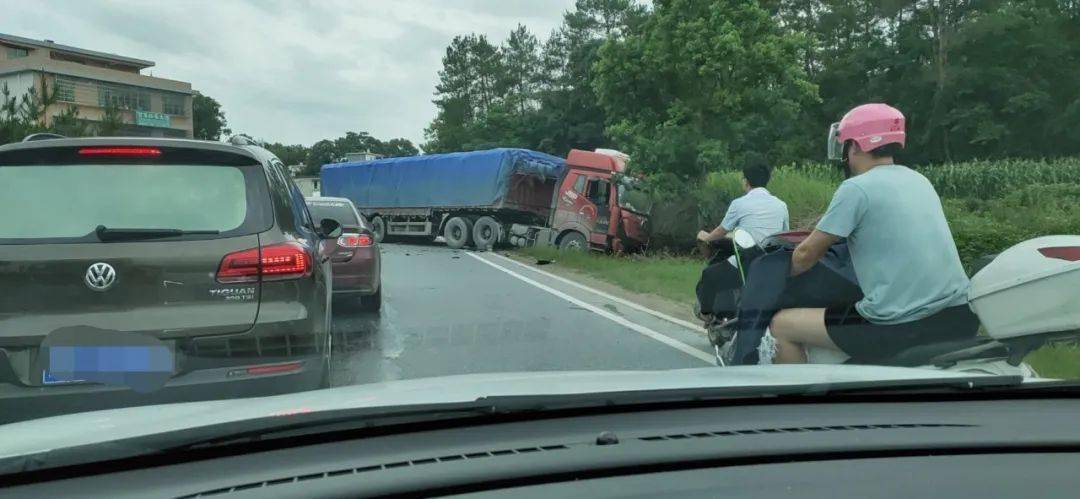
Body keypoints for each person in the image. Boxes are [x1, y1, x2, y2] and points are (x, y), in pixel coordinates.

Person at [767, 103, 978, 364]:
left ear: (854, 146)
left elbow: (806, 254)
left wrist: (772, 278)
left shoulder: (856, 188)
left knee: (781, 325)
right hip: (958, 316)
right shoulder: (919, 180)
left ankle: (802, 403)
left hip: (899, 324)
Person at [695, 160, 789, 322]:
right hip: (772, 263)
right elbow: (784, 235)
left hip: (747, 262)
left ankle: (707, 314)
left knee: (708, 275)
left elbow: (721, 231)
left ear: (746, 181)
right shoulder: (781, 205)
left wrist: (706, 237)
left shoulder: (739, 204)